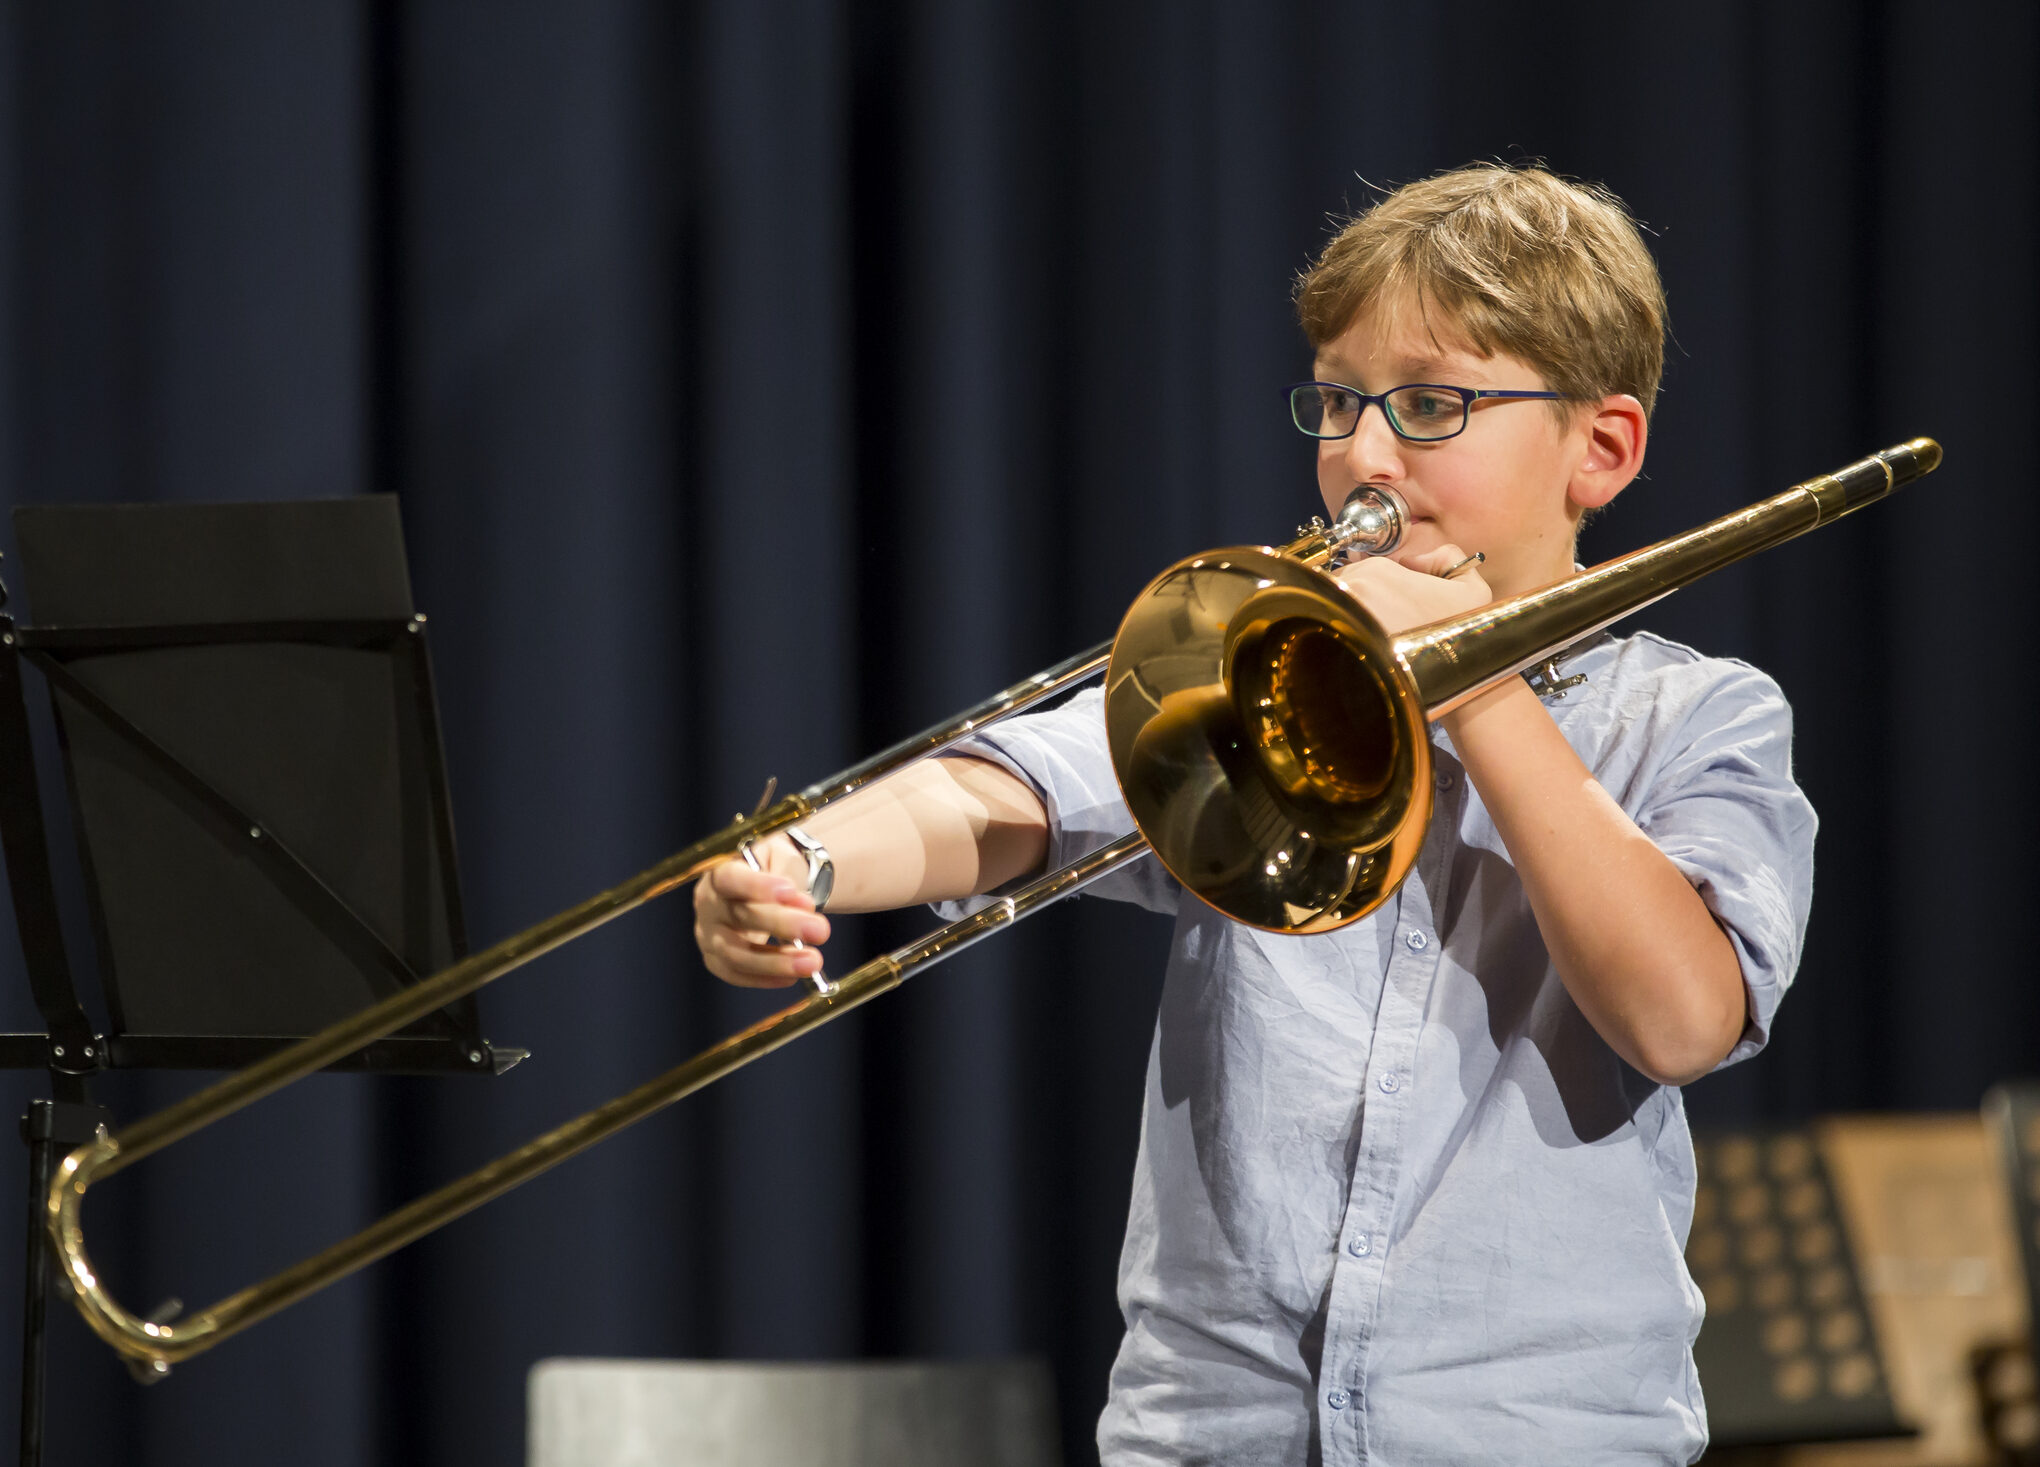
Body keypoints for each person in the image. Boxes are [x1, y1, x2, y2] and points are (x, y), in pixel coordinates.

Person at [692, 164, 1815, 1465]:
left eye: (1433, 404)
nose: (1363, 456)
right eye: (1339, 402)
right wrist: (810, 858)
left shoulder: (1699, 718)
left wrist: (1482, 694)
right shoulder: (1264, 664)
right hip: (1213, 1437)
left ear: (1600, 450)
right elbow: (1023, 791)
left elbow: (1680, 1018)